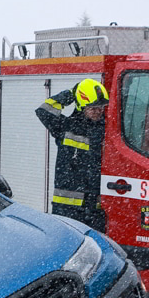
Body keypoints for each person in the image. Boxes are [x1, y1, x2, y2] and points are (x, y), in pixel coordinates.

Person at [35, 78, 109, 232]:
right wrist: (70, 95)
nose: (98, 112)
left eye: (101, 108)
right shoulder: (67, 126)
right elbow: (44, 110)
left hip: (93, 208)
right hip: (66, 208)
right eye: (93, 108)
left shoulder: (105, 130)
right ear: (82, 106)